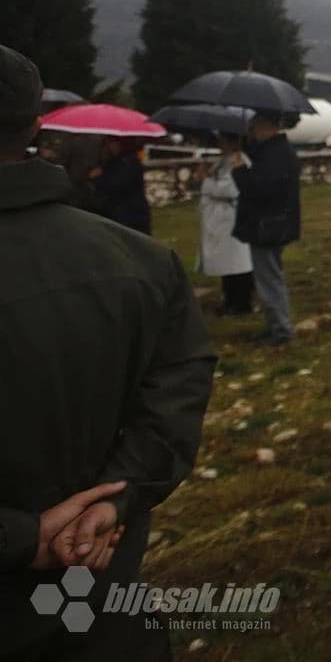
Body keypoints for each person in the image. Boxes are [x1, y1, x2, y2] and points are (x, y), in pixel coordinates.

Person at [0, 44, 216, 659]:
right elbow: (176, 396)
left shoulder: (145, 262)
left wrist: (22, 538)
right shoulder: (143, 262)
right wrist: (114, 500)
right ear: (36, 126)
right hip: (105, 602)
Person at [231, 110, 301, 345]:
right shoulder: (276, 151)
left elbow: (261, 190)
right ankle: (275, 325)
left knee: (269, 279)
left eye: (253, 126)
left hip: (268, 226)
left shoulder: (276, 155)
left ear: (264, 125)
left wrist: (240, 171)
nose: (252, 131)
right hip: (273, 224)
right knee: (269, 276)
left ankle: (281, 329)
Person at [198, 131, 255, 315]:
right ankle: (229, 298)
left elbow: (231, 189)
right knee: (225, 263)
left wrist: (206, 181)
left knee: (237, 263)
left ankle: (241, 302)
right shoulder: (223, 161)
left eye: (222, 140)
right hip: (219, 219)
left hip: (231, 218)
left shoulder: (240, 160)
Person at [89, 136, 152, 234]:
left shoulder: (129, 163)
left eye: (113, 143)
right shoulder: (114, 161)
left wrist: (98, 178)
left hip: (130, 214)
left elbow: (116, 185)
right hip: (120, 213)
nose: (110, 146)